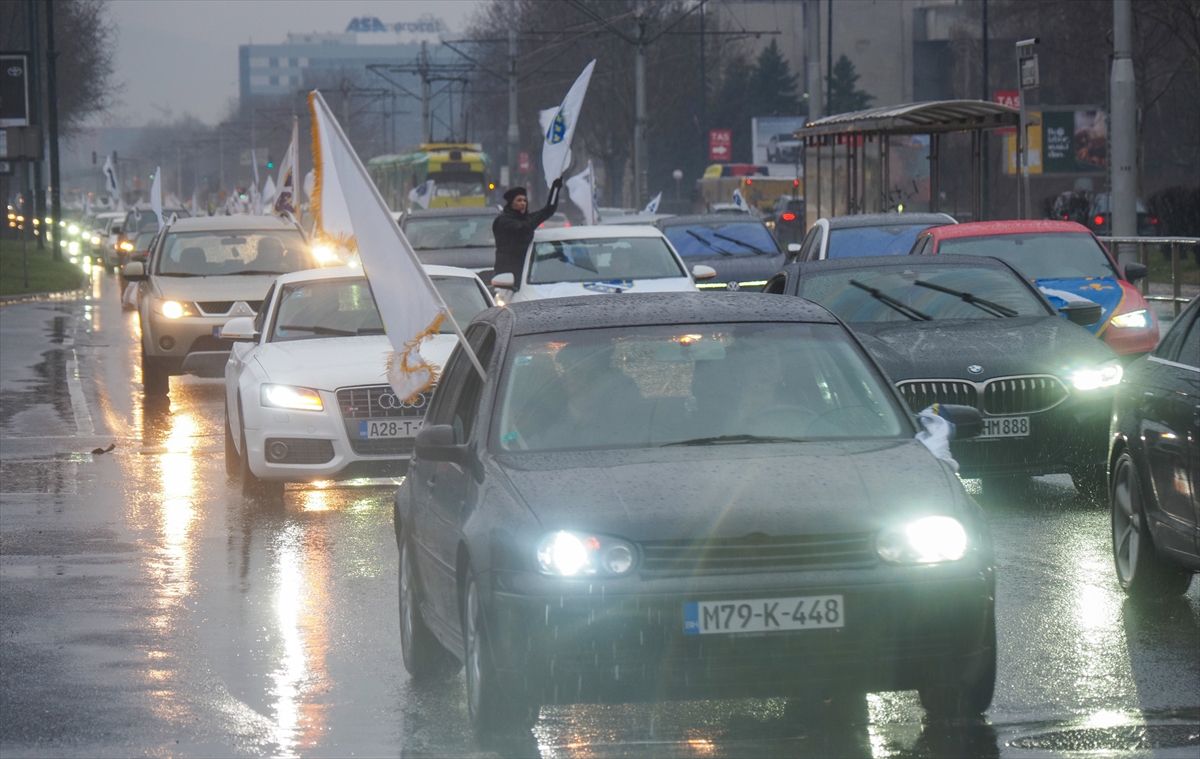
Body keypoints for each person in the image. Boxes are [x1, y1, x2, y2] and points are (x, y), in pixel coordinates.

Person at [492, 179, 562, 289]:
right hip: (506, 274)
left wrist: (556, 188)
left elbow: (548, 210)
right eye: (519, 200)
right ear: (511, 203)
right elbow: (524, 228)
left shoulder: (527, 219)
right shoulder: (503, 221)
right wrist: (535, 220)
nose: (523, 203)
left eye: (524, 200)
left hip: (525, 272)